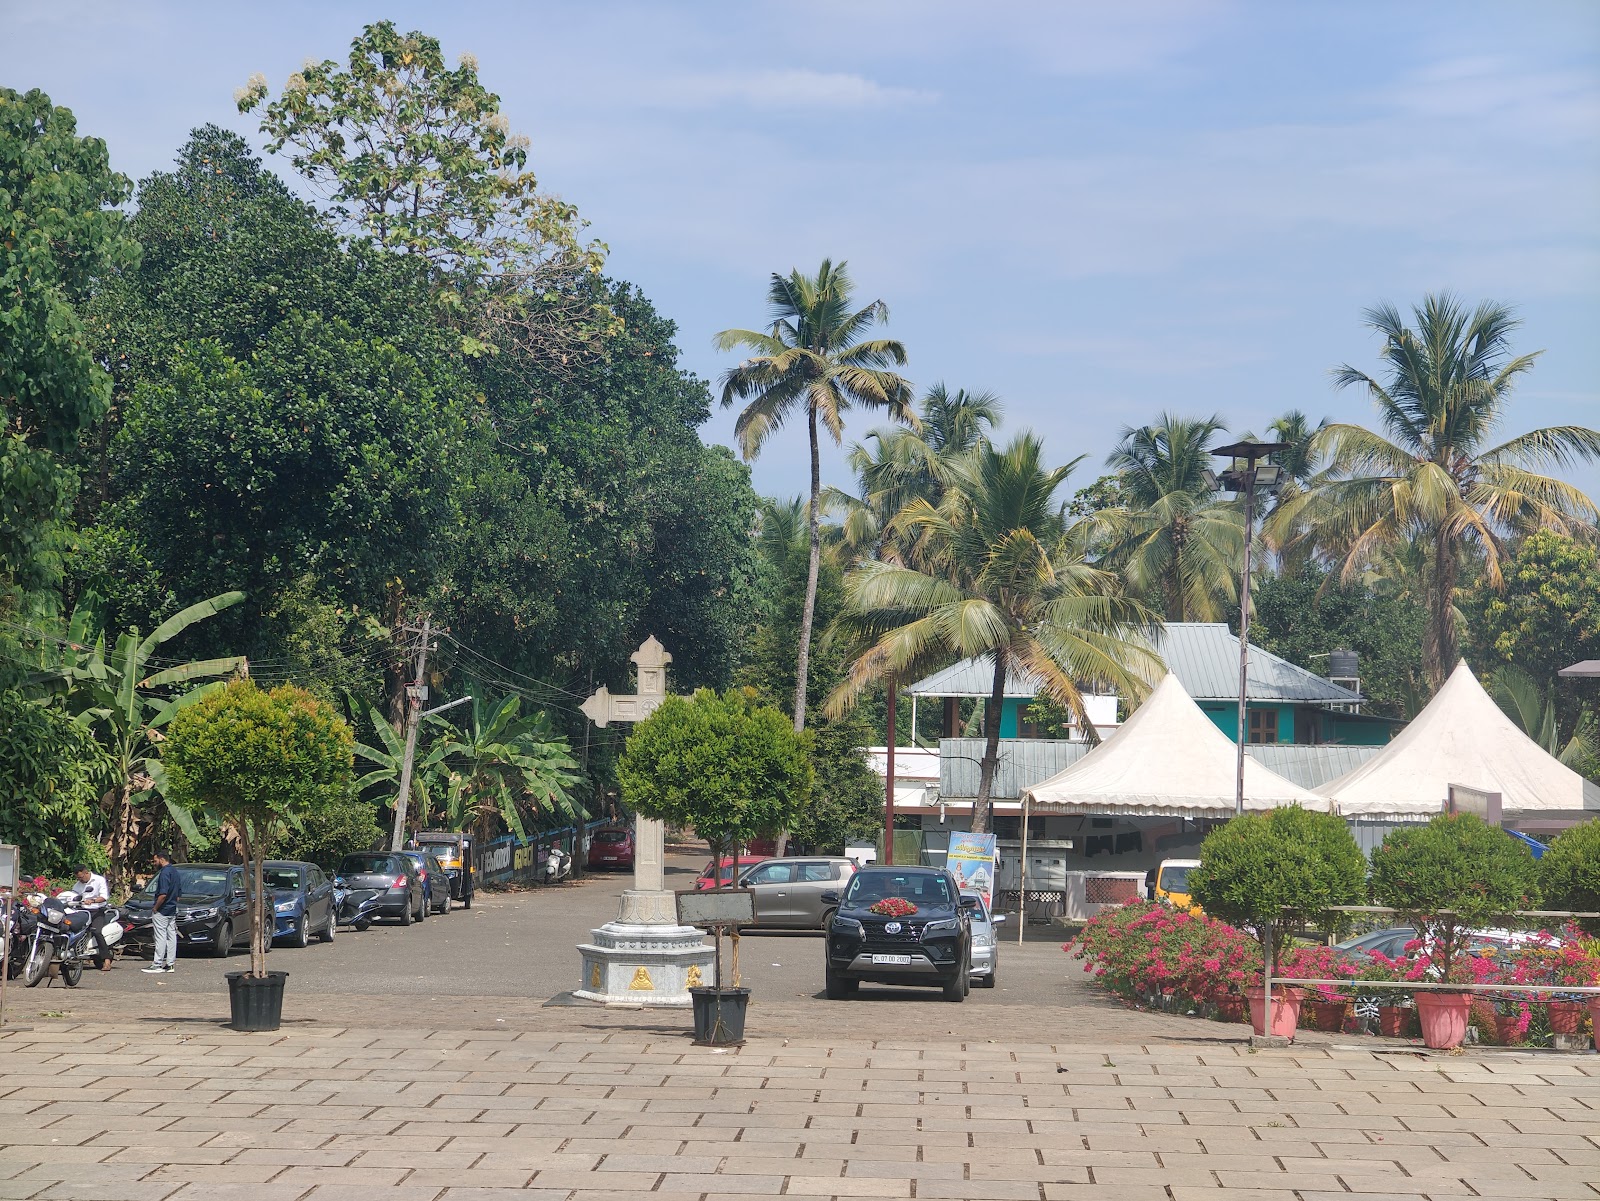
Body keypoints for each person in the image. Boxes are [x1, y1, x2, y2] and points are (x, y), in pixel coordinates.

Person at [143, 850, 180, 974]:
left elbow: (163, 894)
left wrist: (155, 908)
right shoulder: (175, 871)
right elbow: (178, 894)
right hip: (172, 909)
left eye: (155, 860)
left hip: (163, 910)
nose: (154, 863)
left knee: (160, 937)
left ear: (161, 859)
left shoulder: (164, 873)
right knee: (171, 936)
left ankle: (157, 963)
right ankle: (170, 964)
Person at [73, 866, 114, 970]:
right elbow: (73, 896)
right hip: (82, 911)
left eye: (81, 877)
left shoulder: (99, 880)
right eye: (78, 878)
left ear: (86, 873)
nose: (80, 880)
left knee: (96, 931)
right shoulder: (77, 886)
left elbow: (104, 897)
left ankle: (107, 960)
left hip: (97, 910)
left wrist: (93, 901)